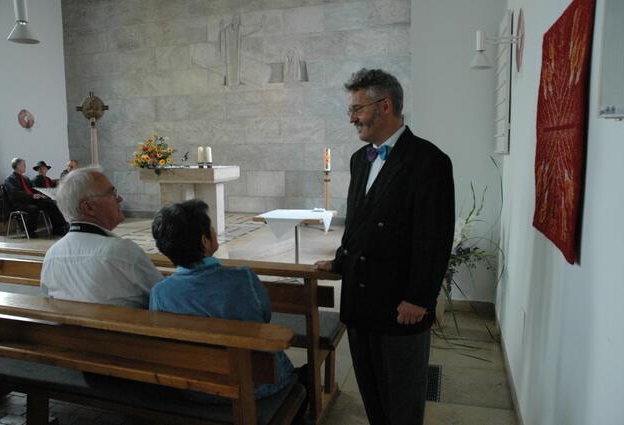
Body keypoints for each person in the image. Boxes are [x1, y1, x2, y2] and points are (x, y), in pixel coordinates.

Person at [315, 69, 455, 425]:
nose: (351, 118)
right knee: (373, 397)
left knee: (402, 403)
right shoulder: (359, 159)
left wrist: (419, 298)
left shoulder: (429, 161)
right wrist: (338, 262)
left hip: (399, 306)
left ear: (386, 105)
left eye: (357, 109)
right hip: (360, 302)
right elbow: (357, 225)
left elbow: (435, 238)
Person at [149, 199, 296, 401]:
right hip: (251, 385)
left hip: (192, 388)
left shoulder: (160, 293)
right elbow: (264, 317)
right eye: (211, 228)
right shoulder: (242, 278)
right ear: (204, 241)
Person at [41, 167, 162, 308]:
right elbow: (163, 295)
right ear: (88, 208)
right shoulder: (122, 251)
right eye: (112, 193)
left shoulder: (52, 254)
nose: (120, 198)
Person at [4, 157, 67, 237]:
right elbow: (15, 193)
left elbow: (32, 190)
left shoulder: (25, 178)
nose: (25, 166)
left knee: (51, 204)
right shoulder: (10, 179)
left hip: (30, 200)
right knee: (33, 208)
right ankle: (30, 232)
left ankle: (58, 228)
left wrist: (40, 195)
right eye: (24, 165)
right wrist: (32, 195)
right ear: (18, 166)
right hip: (19, 203)